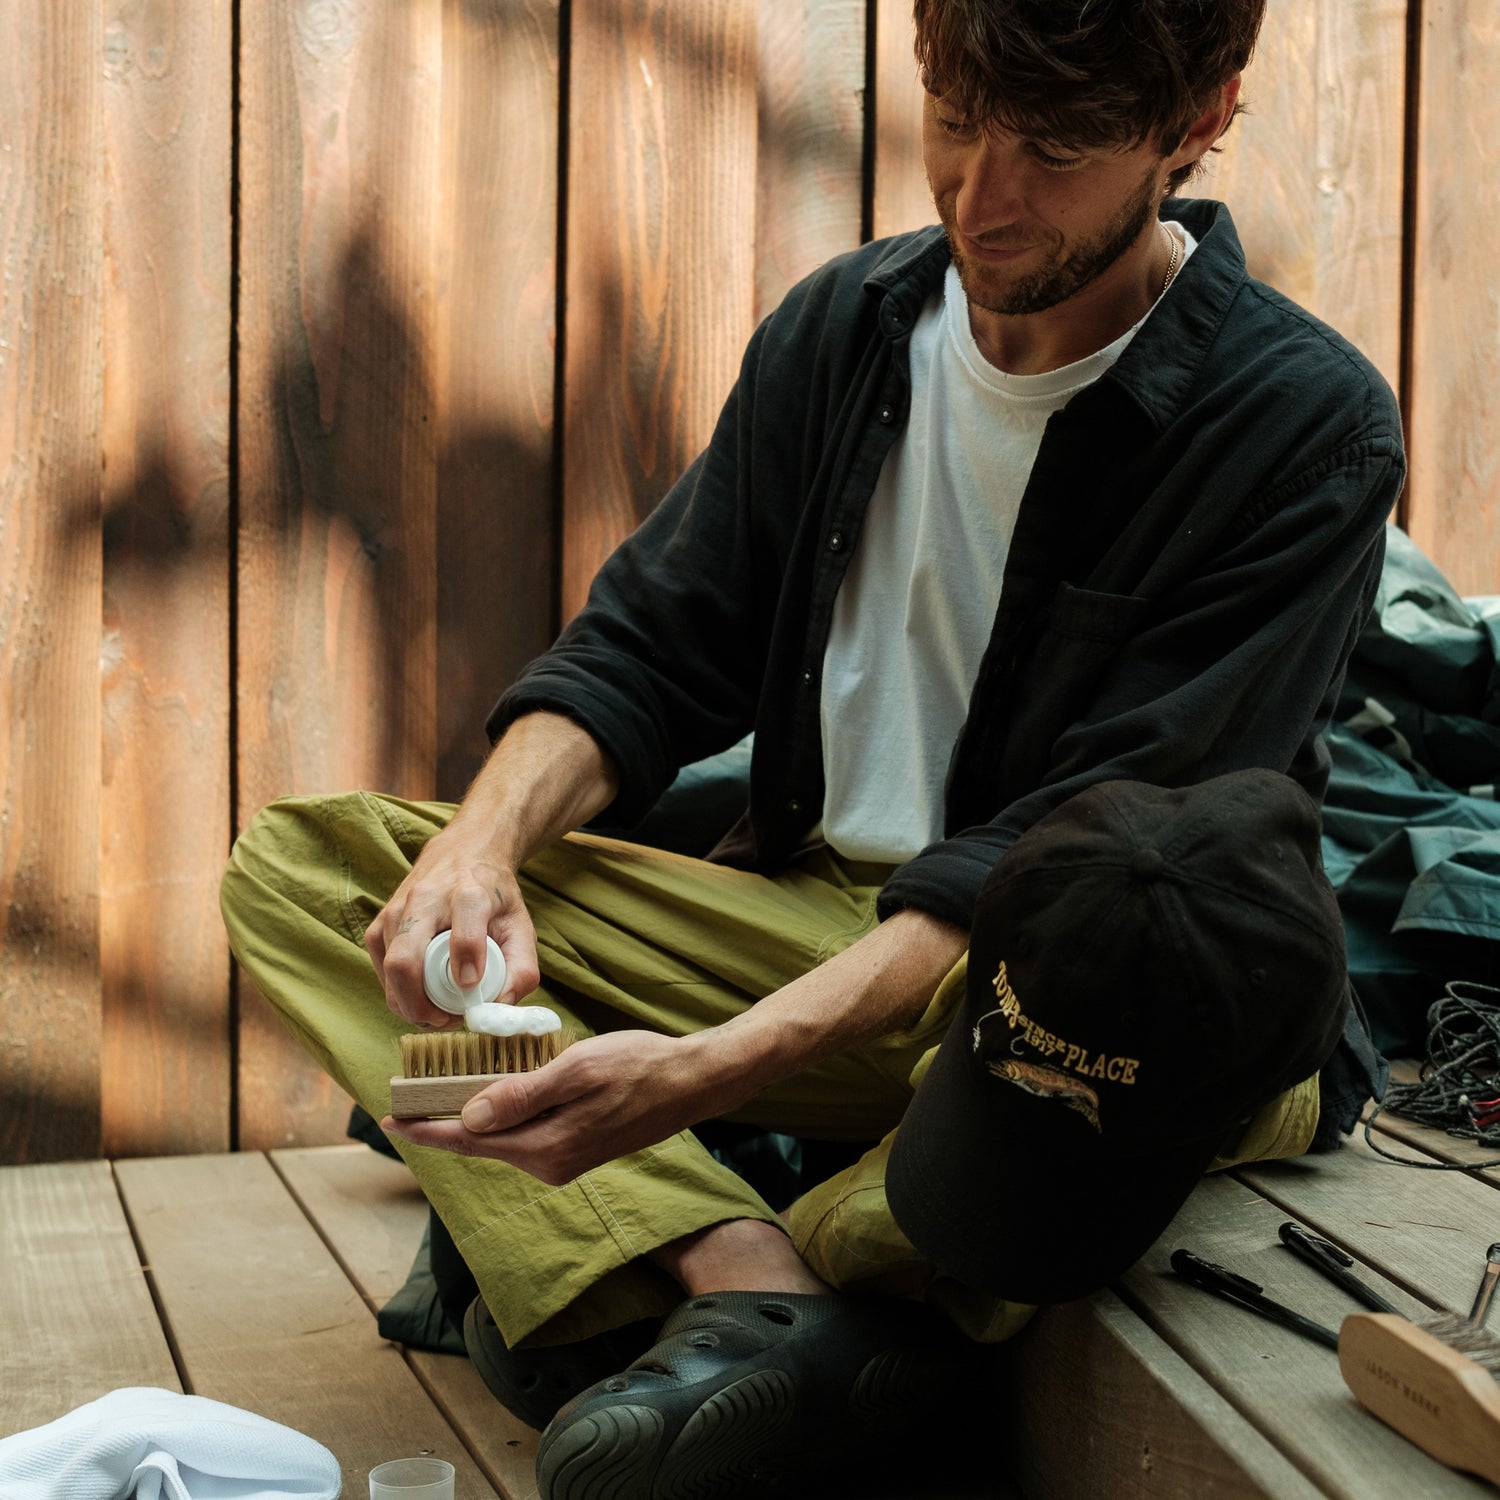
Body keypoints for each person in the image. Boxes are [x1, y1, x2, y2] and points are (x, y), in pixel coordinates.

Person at [220, 1, 1405, 1495]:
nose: (980, 196)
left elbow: (1070, 843)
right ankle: (746, 1282)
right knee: (312, 873)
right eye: (956, 118)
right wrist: (477, 851)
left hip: (1058, 981)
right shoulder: (846, 329)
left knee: (1115, 1050)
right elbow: (647, 651)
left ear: (1200, 118)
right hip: (810, 923)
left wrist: (705, 1076)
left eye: (1054, 149)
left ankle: (631, 1274)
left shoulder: (1307, 424)